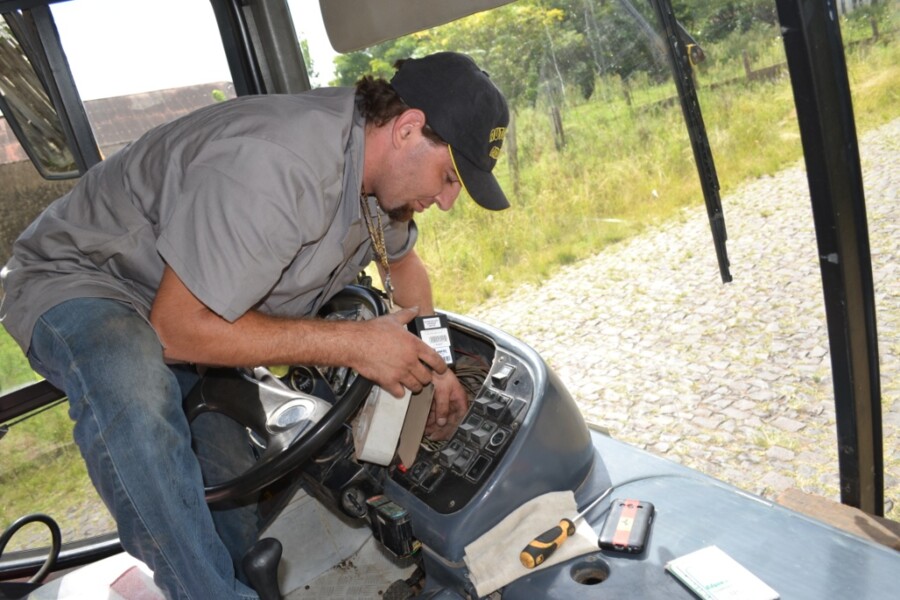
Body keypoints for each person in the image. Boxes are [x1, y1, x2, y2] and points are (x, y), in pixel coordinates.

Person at [0, 52, 509, 599]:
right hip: (87, 279)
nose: (449, 200)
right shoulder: (278, 165)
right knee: (132, 381)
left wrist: (437, 364)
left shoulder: (378, 177)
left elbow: (403, 264)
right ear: (408, 129)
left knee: (228, 488)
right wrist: (356, 344)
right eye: (450, 176)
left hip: (191, 307)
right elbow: (175, 329)